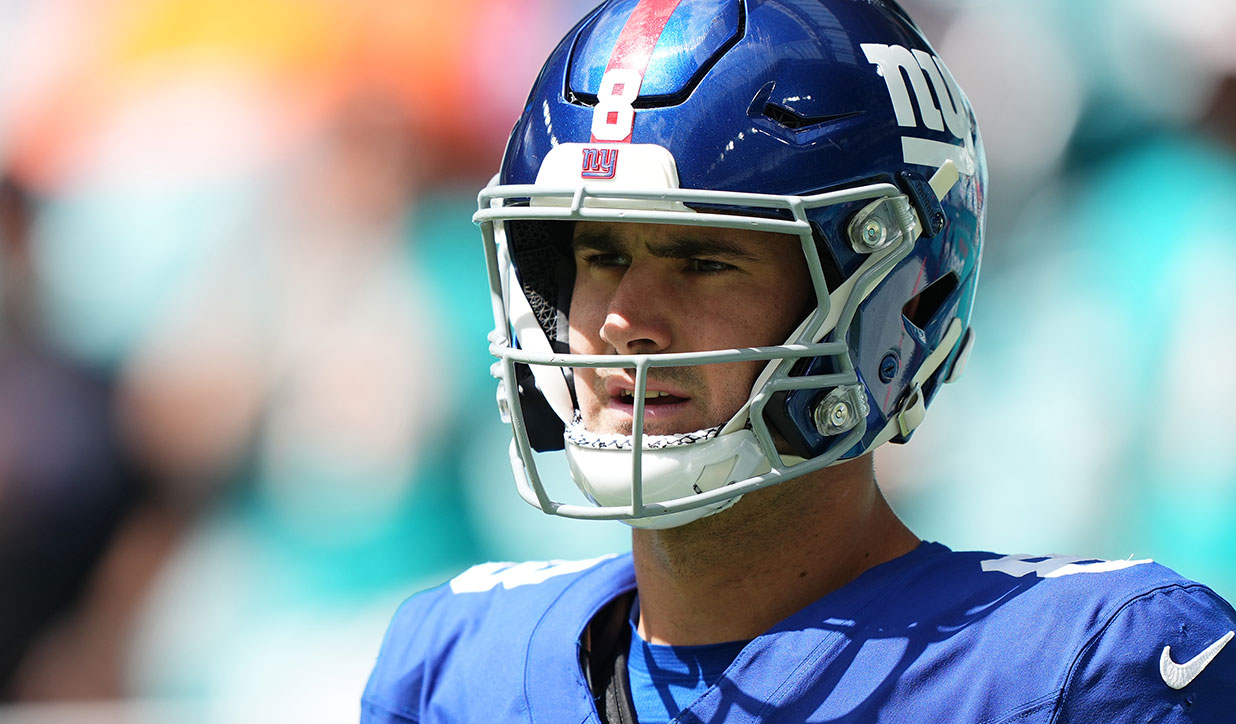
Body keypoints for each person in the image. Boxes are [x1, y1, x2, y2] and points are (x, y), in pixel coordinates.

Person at [361, 1, 1236, 721]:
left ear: (897, 303)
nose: (625, 321)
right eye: (597, 256)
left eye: (705, 259)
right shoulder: (453, 668)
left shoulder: (1076, 671)